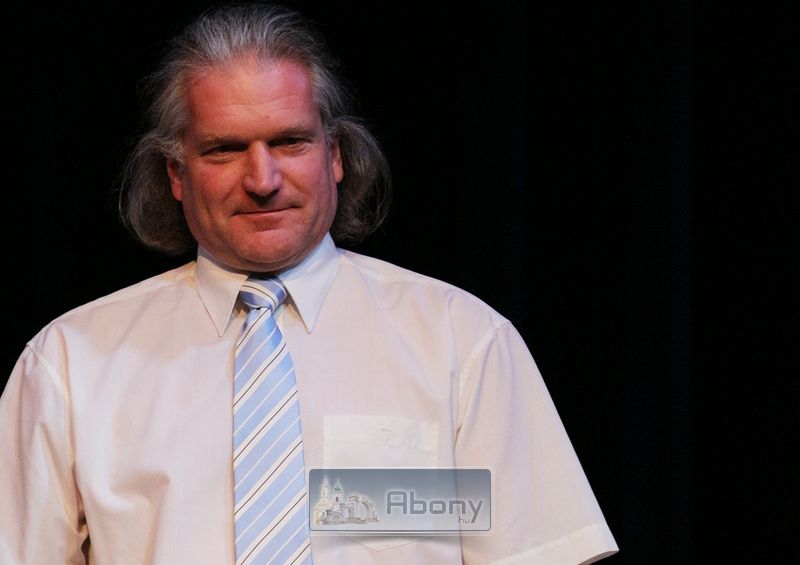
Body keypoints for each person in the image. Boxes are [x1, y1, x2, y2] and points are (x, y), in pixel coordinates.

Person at [0, 4, 618, 564]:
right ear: (176, 174)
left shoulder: (464, 343)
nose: (262, 179)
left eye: (290, 141)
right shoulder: (68, 364)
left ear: (336, 155)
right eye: (224, 149)